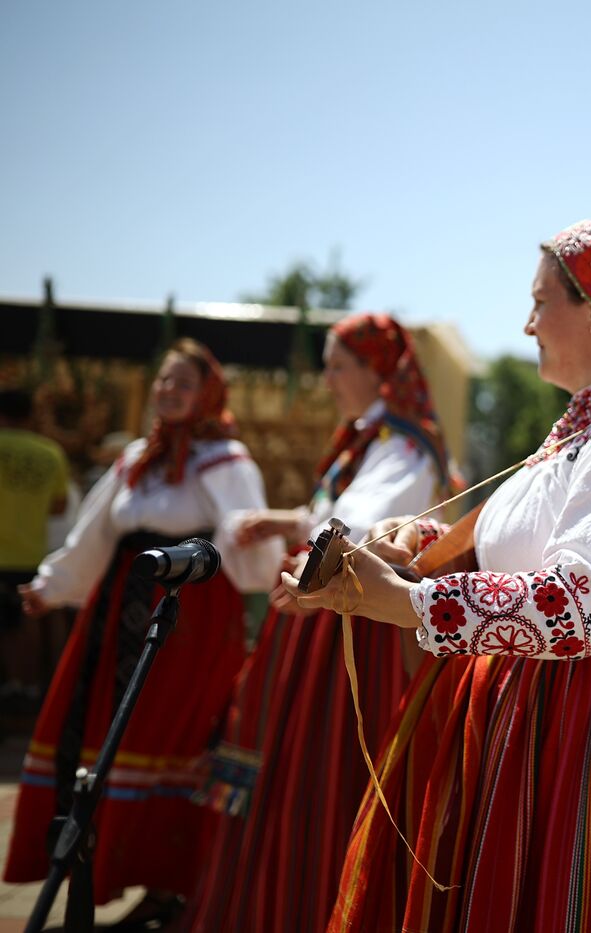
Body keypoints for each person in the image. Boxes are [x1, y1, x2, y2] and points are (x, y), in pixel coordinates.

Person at [286, 219, 591, 932]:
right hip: (535, 713)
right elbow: (506, 540)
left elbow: (573, 605)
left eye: (541, 301)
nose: (526, 324)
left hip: (586, 727)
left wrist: (411, 601)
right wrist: (413, 543)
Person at [187, 312, 455, 933]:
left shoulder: (405, 448)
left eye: (339, 366)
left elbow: (362, 527)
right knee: (286, 768)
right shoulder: (367, 443)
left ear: (377, 372)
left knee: (325, 775)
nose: (327, 379)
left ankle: (312, 907)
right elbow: (335, 516)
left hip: (353, 632)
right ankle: (273, 903)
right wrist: (291, 521)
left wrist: (292, 524)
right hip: (322, 617)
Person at [2, 339, 282, 928]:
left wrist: (258, 563)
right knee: (104, 731)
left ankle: (166, 885)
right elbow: (94, 532)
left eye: (183, 383)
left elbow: (246, 538)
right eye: (163, 381)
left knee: (173, 736)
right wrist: (52, 584)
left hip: (191, 617)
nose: (169, 392)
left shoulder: (225, 460)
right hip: (118, 610)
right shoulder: (137, 457)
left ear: (207, 395)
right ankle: (92, 871)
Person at [0, 388, 70, 709]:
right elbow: (59, 506)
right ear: (30, 416)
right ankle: (27, 687)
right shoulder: (51, 453)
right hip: (30, 552)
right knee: (27, 621)